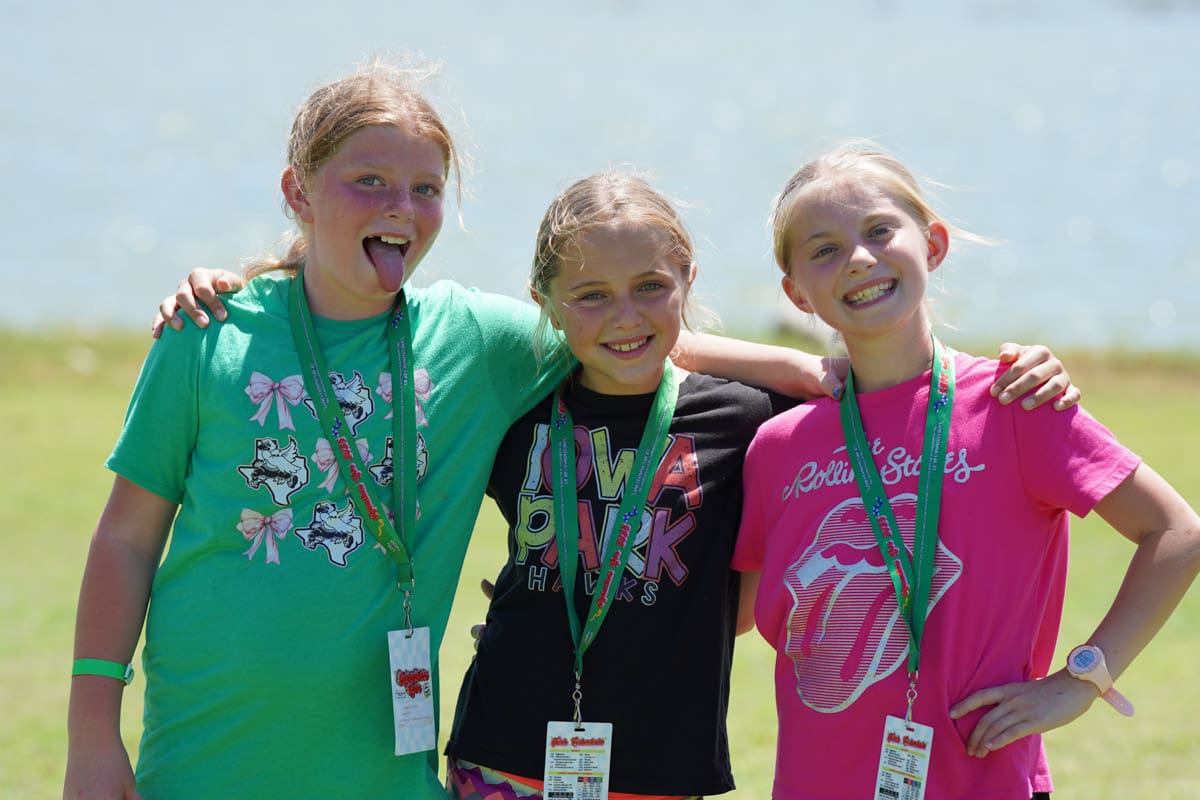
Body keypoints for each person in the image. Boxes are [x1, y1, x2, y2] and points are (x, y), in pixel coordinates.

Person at [61, 62, 872, 800]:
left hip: (384, 774)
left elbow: (621, 330)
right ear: (297, 192)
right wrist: (92, 737)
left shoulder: (474, 342)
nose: (400, 207)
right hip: (199, 760)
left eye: (426, 188)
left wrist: (797, 367)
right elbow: (125, 540)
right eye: (369, 181)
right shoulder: (207, 335)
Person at [732, 143, 1200, 800]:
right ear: (796, 294)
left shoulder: (1016, 402)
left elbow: (1177, 532)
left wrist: (1083, 678)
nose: (859, 258)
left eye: (879, 231)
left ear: (933, 245)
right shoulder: (778, 447)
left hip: (985, 779)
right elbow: (735, 614)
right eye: (825, 250)